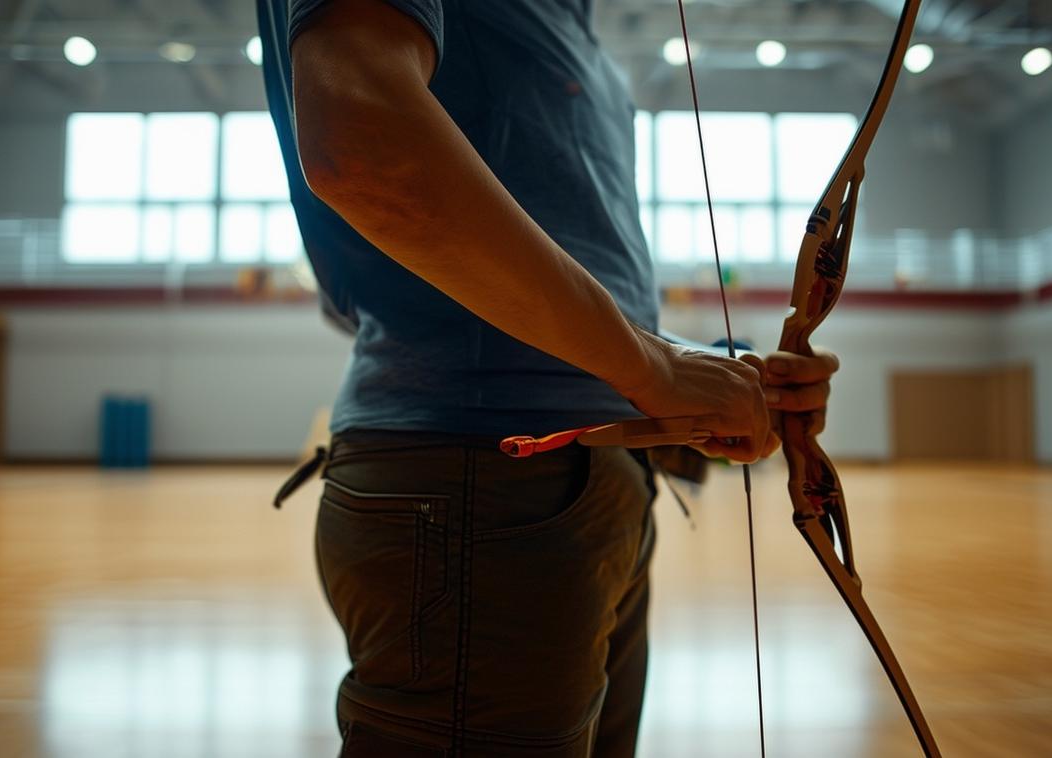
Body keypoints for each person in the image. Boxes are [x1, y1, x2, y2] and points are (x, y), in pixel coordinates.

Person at [257, 1, 839, 755]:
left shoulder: (575, 30)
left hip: (589, 485)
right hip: (485, 485)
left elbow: (565, 265)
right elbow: (361, 143)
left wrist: (705, 372)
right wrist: (652, 364)